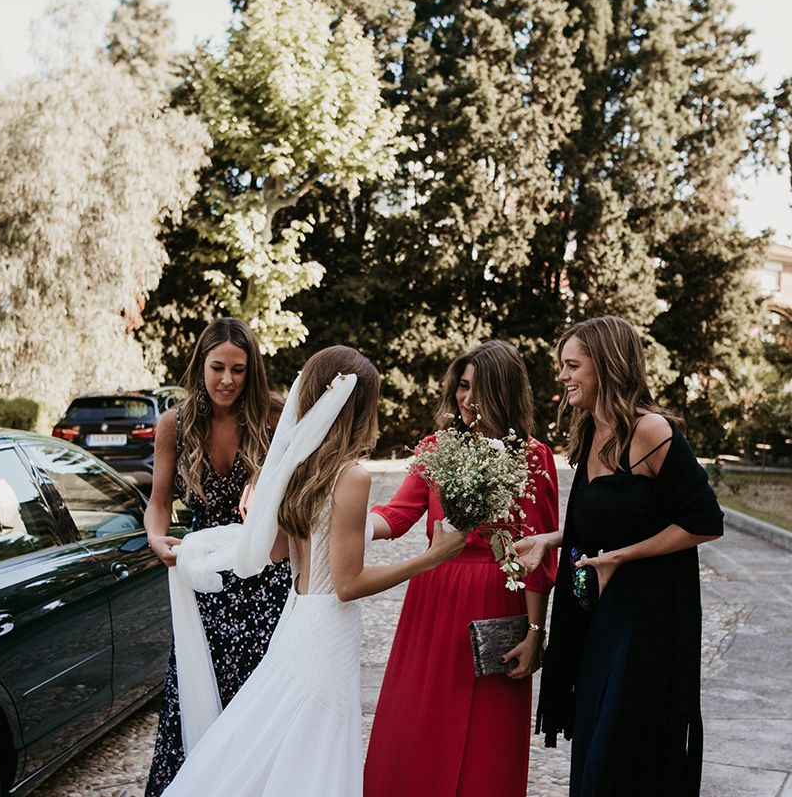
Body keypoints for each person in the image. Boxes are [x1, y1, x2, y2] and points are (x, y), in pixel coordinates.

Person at [161, 345, 468, 797]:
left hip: (297, 618)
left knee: (274, 739)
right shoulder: (350, 476)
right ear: (359, 407)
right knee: (311, 746)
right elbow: (347, 585)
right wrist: (432, 557)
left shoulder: (297, 467)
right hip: (326, 629)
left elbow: (280, 551)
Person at [514, 315, 724, 797]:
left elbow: (704, 522)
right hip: (595, 611)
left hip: (646, 617)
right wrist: (551, 539)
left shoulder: (652, 431)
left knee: (618, 748)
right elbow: (603, 520)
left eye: (572, 365)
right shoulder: (590, 432)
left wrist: (620, 558)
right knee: (593, 744)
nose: (562, 377)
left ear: (606, 366)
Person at [364, 339, 560, 797]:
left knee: (488, 740)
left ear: (506, 392)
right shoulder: (436, 447)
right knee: (416, 724)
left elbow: (536, 557)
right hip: (432, 599)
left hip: (497, 601)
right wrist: (344, 526)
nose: (468, 400)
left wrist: (535, 633)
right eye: (463, 387)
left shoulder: (533, 457)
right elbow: (396, 514)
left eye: (480, 389)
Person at [144, 318, 291, 797]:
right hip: (205, 580)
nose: (227, 379)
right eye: (217, 368)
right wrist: (156, 538)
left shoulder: (274, 416)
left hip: (264, 577)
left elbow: (307, 486)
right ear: (200, 367)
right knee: (196, 688)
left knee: (259, 695)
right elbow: (160, 502)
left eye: (239, 369)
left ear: (252, 371)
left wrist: (269, 481)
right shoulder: (175, 423)